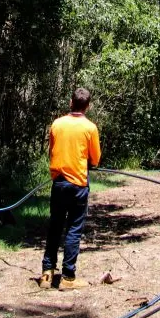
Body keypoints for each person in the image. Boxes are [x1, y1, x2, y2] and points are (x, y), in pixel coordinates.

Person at [39, 87, 101, 290]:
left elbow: (51, 151)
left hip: (58, 182)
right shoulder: (90, 128)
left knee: (55, 226)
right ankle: (67, 277)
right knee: (74, 229)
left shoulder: (57, 124)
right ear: (88, 106)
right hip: (78, 185)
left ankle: (47, 273)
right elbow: (96, 159)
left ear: (70, 102)